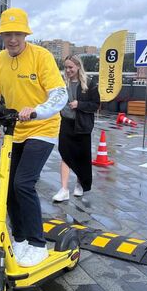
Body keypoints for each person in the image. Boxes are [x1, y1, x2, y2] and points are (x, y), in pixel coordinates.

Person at [0, 8, 67, 267]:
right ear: (2, 35)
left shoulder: (41, 56)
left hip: (43, 128)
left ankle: (37, 244)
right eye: (8, 34)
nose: (13, 39)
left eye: (18, 34)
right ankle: (21, 239)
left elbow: (59, 94)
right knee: (7, 186)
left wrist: (37, 110)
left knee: (24, 183)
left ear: (25, 34)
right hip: (15, 130)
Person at [53, 55, 100, 202]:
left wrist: (79, 105)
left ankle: (80, 184)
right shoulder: (61, 84)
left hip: (82, 126)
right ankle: (64, 189)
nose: (67, 70)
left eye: (70, 67)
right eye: (66, 67)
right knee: (65, 154)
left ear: (78, 67)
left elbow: (95, 105)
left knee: (82, 156)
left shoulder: (90, 84)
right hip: (66, 123)